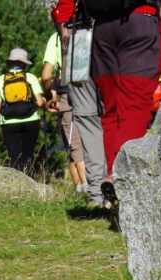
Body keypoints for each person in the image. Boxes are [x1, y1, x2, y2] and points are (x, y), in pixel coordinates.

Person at [59, 0, 161, 209]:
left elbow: (64, 6)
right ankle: (121, 178)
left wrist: (66, 37)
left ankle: (113, 178)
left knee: (111, 110)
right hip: (140, 24)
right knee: (135, 106)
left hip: (101, 30)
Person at [51, 1, 109, 208]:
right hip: (116, 43)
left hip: (80, 43)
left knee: (86, 119)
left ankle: (97, 192)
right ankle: (116, 182)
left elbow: (62, 16)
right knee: (116, 117)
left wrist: (67, 62)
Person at [41, 29, 90, 194]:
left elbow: (46, 76)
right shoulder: (89, 31)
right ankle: (85, 187)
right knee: (89, 139)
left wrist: (50, 94)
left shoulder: (56, 38)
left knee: (73, 143)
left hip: (68, 95)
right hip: (92, 90)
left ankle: (86, 189)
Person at [0, 48, 47, 174]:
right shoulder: (30, 78)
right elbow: (39, 102)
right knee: (28, 154)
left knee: (14, 156)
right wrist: (44, 100)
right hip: (30, 121)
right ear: (24, 64)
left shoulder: (0, 80)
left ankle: (17, 184)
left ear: (9, 63)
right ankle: (28, 180)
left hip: (9, 123)